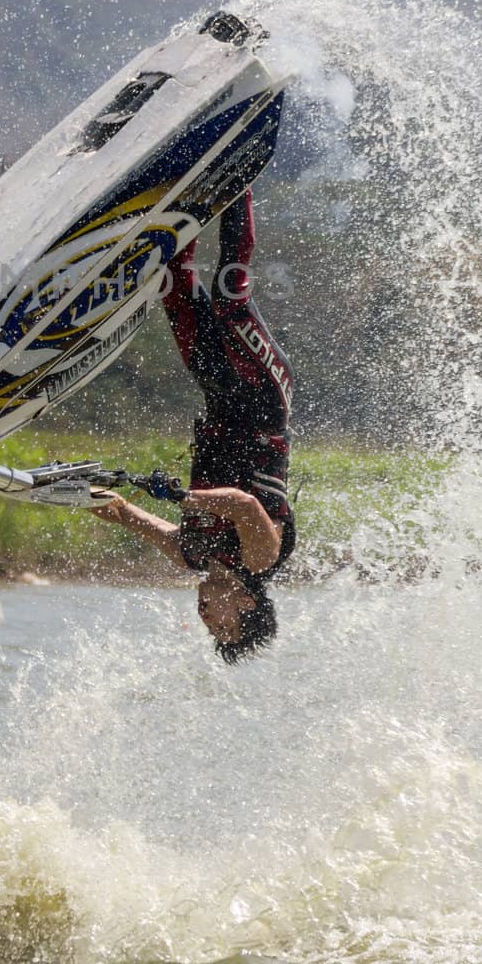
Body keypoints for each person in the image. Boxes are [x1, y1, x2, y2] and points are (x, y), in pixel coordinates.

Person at [93, 189, 295, 660]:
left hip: (220, 395)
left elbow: (122, 511)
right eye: (221, 626)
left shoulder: (190, 553)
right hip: (263, 401)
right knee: (229, 304)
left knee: (175, 292)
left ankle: (179, 200)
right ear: (246, 602)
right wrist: (182, 497)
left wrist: (62, 491)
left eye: (210, 630)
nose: (207, 619)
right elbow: (244, 506)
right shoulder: (261, 559)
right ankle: (238, 184)